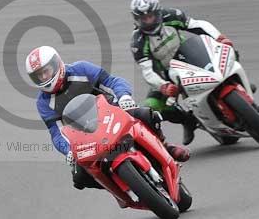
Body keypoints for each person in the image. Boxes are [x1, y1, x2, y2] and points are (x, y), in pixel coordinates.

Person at [25, 45, 190, 190]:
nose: (44, 77)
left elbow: (112, 81)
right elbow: (56, 132)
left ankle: (166, 147)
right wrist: (68, 150)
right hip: (85, 136)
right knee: (79, 178)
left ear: (56, 64)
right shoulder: (43, 103)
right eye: (39, 75)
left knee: (146, 115)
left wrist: (124, 96)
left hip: (112, 113)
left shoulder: (81, 69)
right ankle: (118, 187)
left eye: (46, 71)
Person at [129, 0, 237, 145]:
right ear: (137, 19)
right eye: (143, 18)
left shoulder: (171, 15)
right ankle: (188, 121)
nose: (148, 21)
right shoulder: (137, 41)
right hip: (165, 74)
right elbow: (147, 72)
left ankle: (235, 80)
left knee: (227, 50)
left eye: (150, 16)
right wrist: (163, 86)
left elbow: (197, 25)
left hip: (188, 55)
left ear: (158, 12)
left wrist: (219, 37)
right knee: (151, 107)